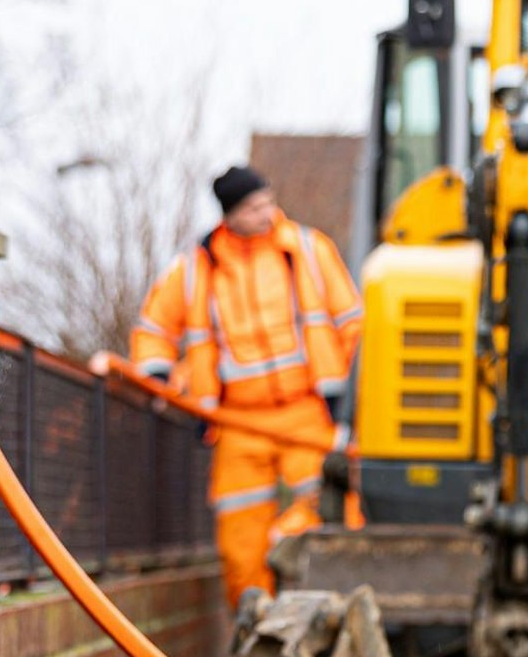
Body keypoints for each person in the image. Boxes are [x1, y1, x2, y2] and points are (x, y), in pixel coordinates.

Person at [131, 166, 362, 609]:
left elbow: (353, 323)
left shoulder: (309, 250)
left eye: (269, 201)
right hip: (236, 420)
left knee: (332, 512)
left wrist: (351, 400)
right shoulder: (196, 270)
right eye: (254, 207)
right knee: (239, 542)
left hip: (306, 411)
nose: (267, 213)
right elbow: (153, 329)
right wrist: (159, 377)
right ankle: (255, 626)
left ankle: (325, 614)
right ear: (229, 216)